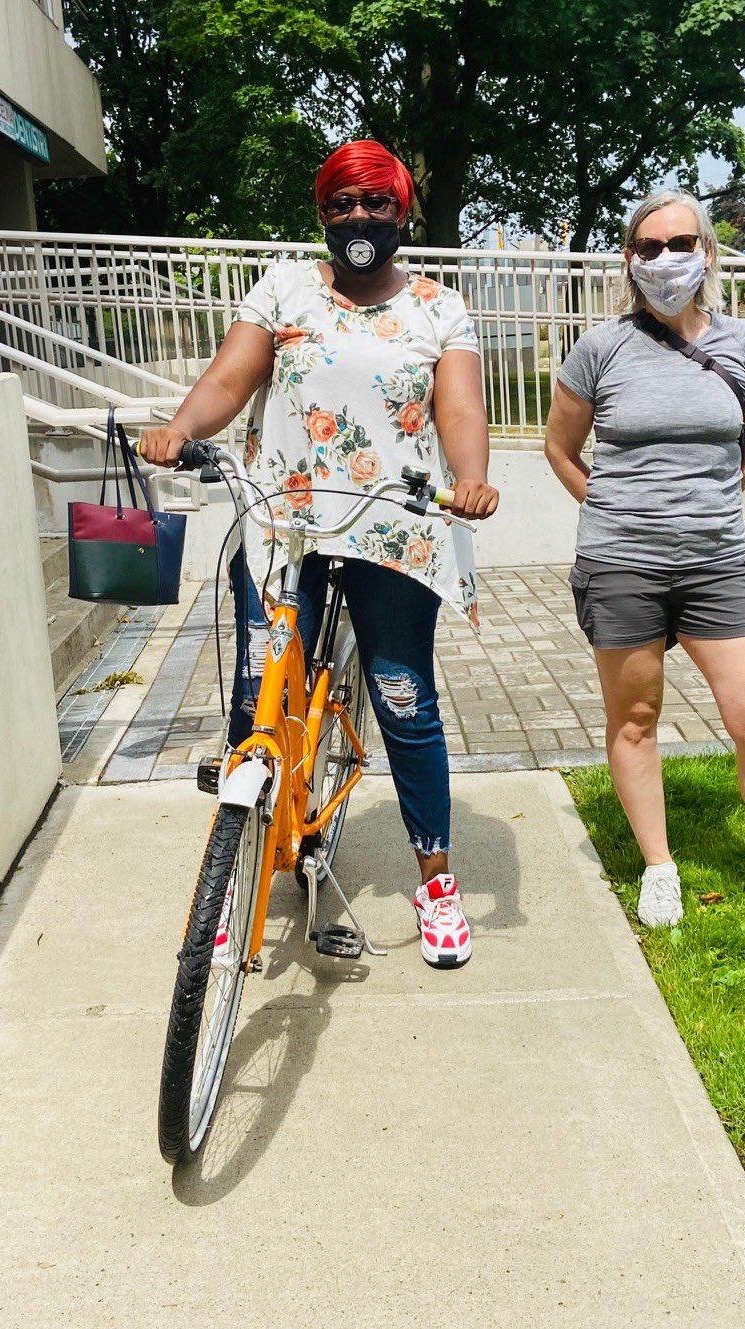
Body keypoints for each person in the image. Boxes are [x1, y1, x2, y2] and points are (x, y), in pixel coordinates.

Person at [140, 140, 498, 968]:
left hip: (393, 523)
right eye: (342, 204)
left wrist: (471, 477)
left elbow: (459, 408)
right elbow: (231, 379)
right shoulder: (284, 289)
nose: (360, 219)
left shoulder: (439, 308)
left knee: (403, 700)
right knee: (253, 701)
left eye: (376, 203)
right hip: (282, 522)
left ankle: (436, 884)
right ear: (322, 214)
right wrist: (182, 429)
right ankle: (238, 874)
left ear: (402, 210)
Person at [544, 187, 745, 933]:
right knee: (634, 718)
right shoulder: (600, 348)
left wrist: (706, 510)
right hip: (620, 562)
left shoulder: (742, 344)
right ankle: (658, 866)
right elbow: (559, 449)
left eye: (681, 242)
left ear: (706, 251)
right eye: (649, 246)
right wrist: (607, 509)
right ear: (629, 259)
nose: (666, 258)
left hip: (714, 564)